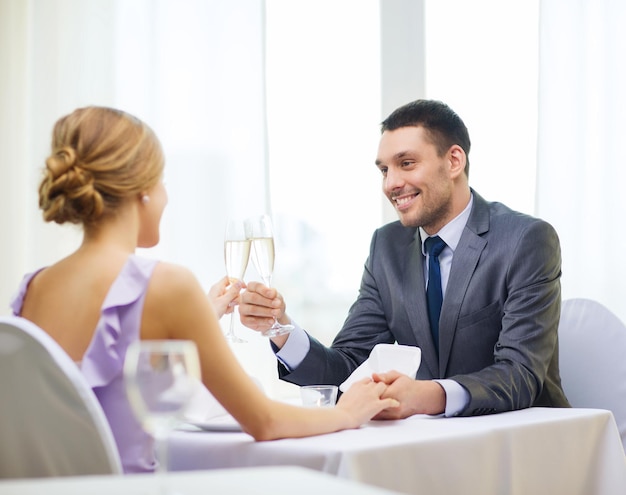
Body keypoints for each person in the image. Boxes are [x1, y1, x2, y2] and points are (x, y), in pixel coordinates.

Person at [10, 106, 398, 474]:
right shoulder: (167, 284)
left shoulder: (33, 288)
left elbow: (94, 388)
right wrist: (347, 414)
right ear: (142, 190)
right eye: (161, 182)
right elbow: (264, 420)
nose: (165, 196)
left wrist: (199, 315)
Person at [239, 99, 571, 419]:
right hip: (429, 443)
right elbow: (346, 368)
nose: (392, 183)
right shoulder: (387, 246)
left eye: (406, 163)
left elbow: (520, 375)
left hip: (525, 441)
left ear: (454, 161)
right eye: (384, 169)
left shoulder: (525, 240)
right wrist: (279, 327)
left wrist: (426, 396)